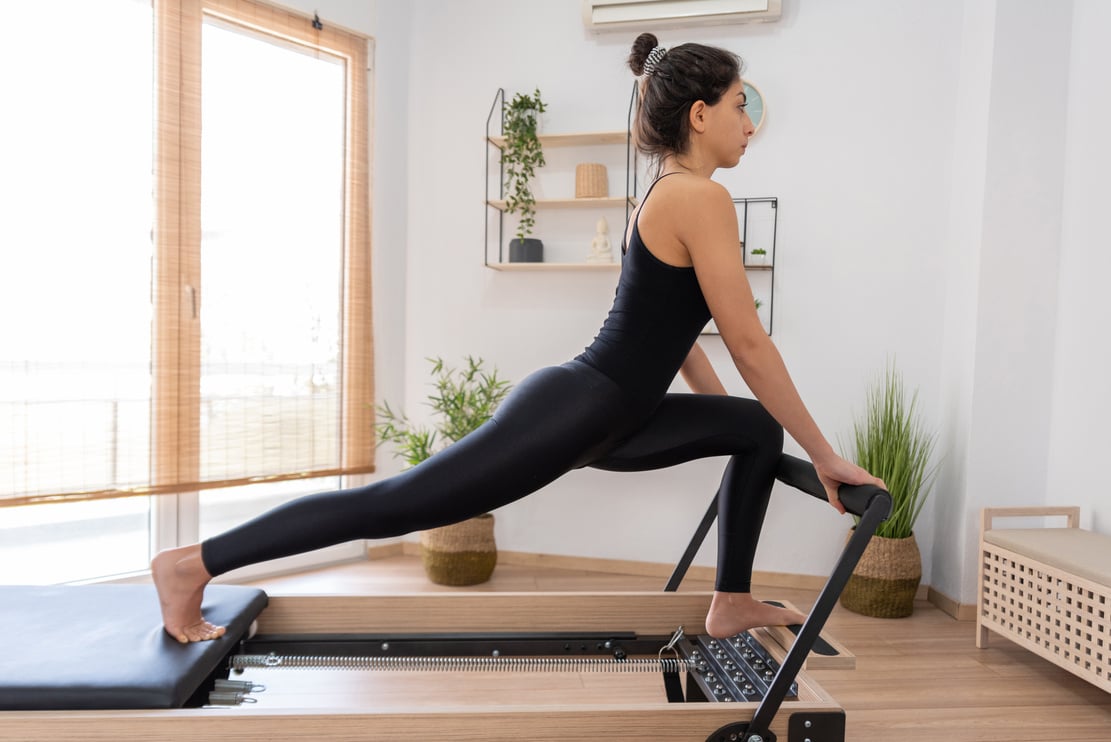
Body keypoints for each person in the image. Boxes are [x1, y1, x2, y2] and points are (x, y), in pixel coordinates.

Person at [152, 32, 883, 644]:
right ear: (699, 114)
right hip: (578, 408)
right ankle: (194, 563)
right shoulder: (699, 197)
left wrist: (721, 424)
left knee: (754, 428)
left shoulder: (666, 193)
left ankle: (730, 601)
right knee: (402, 503)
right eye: (738, 106)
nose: (748, 124)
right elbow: (748, 340)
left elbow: (682, 335)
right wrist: (823, 457)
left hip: (613, 412)